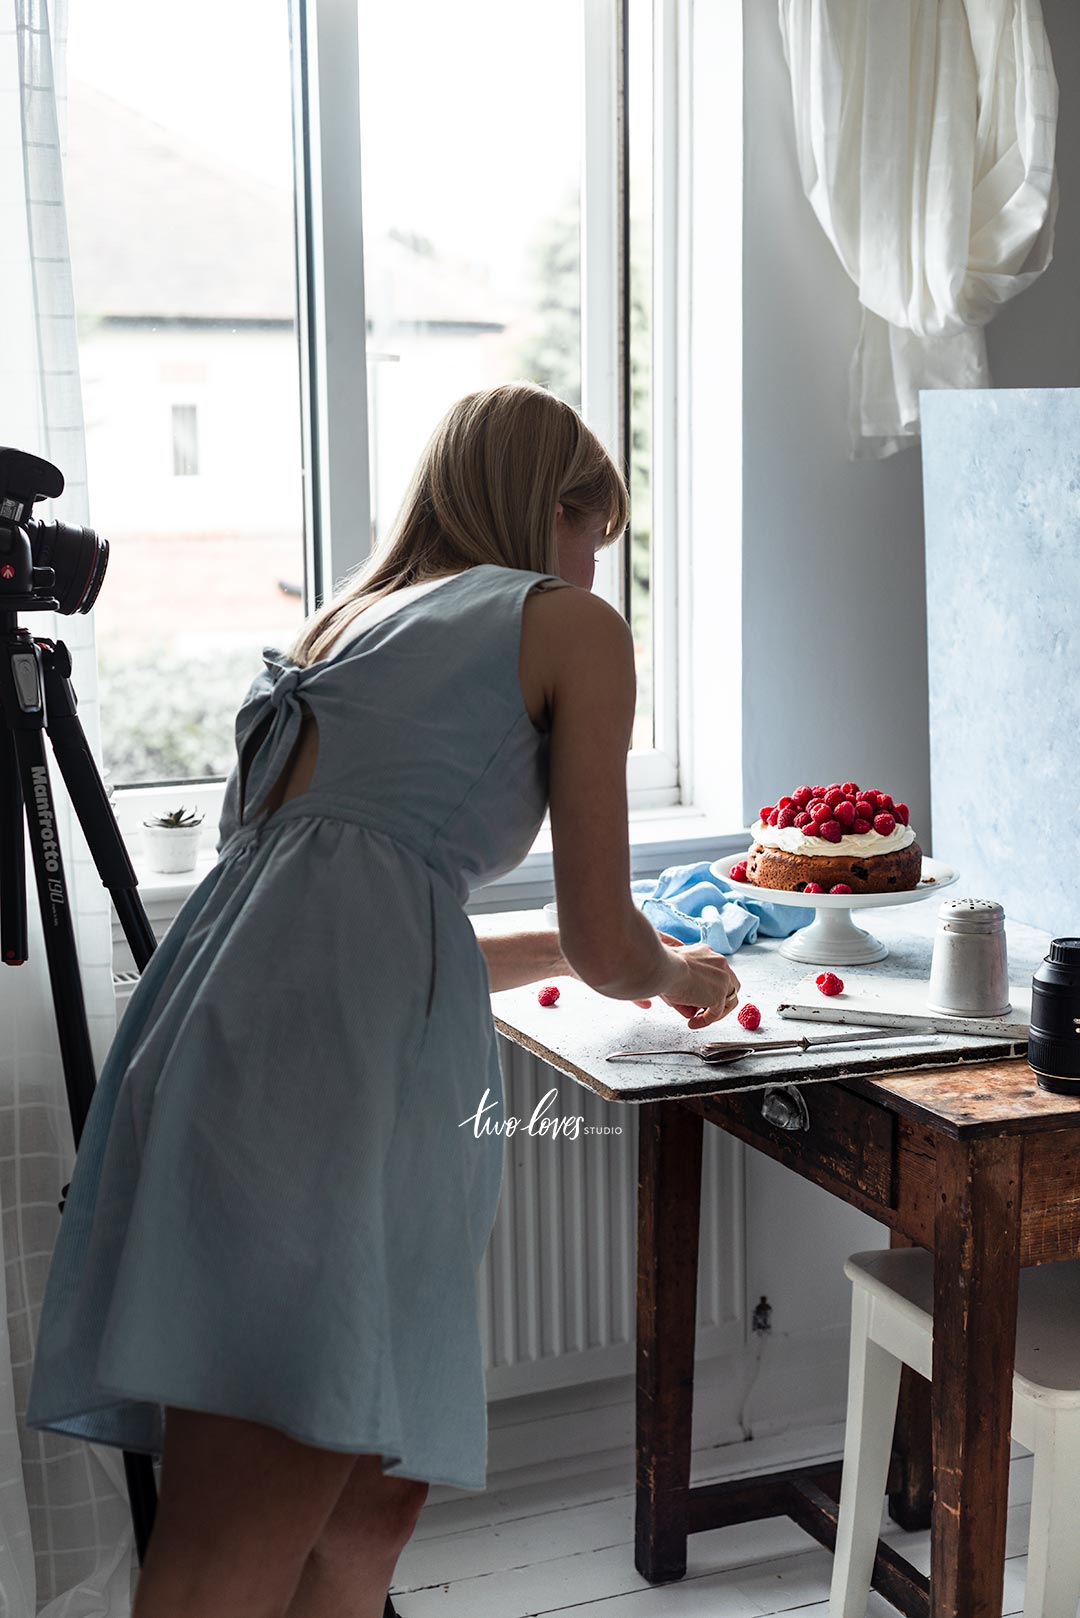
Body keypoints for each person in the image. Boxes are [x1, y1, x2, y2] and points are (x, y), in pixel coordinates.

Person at [25, 380, 740, 1618]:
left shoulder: (347, 630)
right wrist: (673, 973)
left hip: (246, 1054)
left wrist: (608, 951)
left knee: (361, 1511)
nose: (591, 564)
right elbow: (600, 934)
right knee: (237, 1535)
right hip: (320, 1097)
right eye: (592, 532)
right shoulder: (564, 623)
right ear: (550, 510)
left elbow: (391, 920)